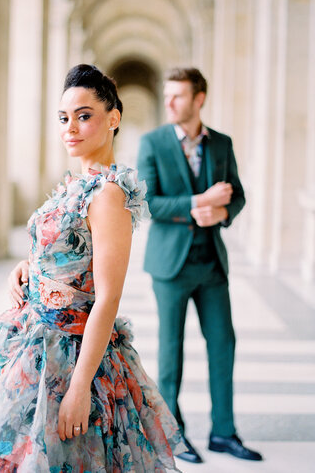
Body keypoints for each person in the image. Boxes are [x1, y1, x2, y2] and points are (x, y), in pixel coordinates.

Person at [0, 64, 186, 472]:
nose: (70, 128)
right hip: (34, 341)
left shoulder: (108, 194)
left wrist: (79, 388)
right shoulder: (77, 185)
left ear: (113, 119)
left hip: (73, 355)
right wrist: (30, 267)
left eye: (84, 115)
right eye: (64, 117)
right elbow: (68, 253)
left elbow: (108, 296)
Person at [137, 67, 263, 464]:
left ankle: (224, 432)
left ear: (199, 98)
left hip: (211, 265)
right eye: (167, 94)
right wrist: (199, 202)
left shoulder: (221, 143)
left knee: (224, 344)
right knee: (171, 352)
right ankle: (174, 435)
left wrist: (221, 210)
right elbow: (147, 203)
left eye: (178, 95)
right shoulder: (152, 143)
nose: (169, 102)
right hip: (170, 266)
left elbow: (238, 195)